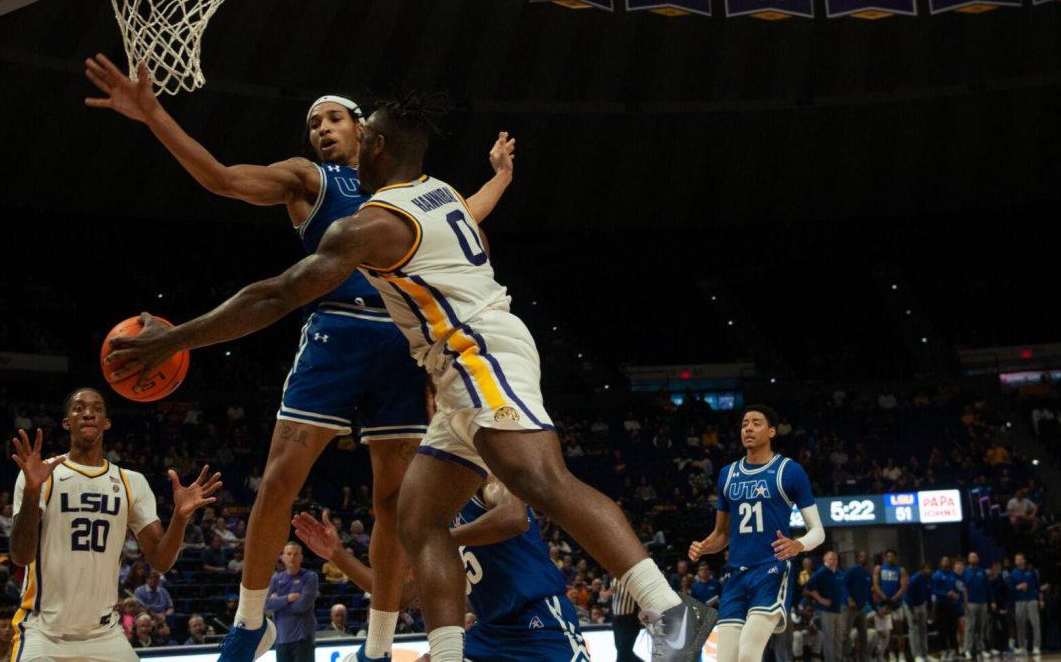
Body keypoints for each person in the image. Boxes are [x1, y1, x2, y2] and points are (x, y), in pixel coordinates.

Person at [104, 93, 714, 662]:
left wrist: (175, 338)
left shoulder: (375, 224)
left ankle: (671, 612)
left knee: (541, 479)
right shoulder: (436, 190)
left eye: (355, 130)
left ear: (375, 147)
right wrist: (500, 177)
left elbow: (279, 294)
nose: (335, 136)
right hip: (452, 370)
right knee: (418, 521)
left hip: (476, 351)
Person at [85, 55, 515, 662]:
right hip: (334, 331)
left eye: (334, 119)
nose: (321, 129)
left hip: (400, 342)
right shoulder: (309, 178)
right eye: (315, 124)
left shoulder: (407, 192)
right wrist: (154, 114)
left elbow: (463, 216)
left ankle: (380, 643)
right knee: (281, 478)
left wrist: (500, 177)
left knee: (392, 500)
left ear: (368, 132)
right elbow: (221, 178)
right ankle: (249, 622)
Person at [7, 388, 221, 662]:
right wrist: (33, 492)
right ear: (66, 422)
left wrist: (180, 518)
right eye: (79, 408)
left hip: (103, 633)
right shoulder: (40, 474)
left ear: (106, 422)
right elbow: (20, 556)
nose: (88, 413)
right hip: (44, 632)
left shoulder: (132, 482)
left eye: (97, 408)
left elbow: (161, 560)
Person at [294, 476, 589, 662]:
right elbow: (395, 596)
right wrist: (337, 554)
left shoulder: (485, 477)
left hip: (538, 618)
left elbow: (514, 518)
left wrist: (440, 541)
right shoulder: (427, 516)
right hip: (490, 632)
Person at [687, 406, 825, 662]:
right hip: (735, 574)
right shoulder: (727, 475)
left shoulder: (790, 470)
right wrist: (704, 547)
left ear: (771, 431)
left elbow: (818, 531)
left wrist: (798, 545)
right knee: (725, 659)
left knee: (748, 654)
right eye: (744, 424)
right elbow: (722, 534)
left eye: (756, 423)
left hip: (770, 570)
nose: (748, 428)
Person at [265, 543, 318, 662]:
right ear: (282, 557)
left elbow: (302, 605)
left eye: (296, 554)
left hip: (303, 638)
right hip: (281, 639)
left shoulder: (310, 577)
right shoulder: (275, 579)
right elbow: (266, 604)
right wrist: (287, 598)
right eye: (288, 554)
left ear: (301, 557)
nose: (292, 557)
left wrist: (277, 602)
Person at [803, 552, 843, 662]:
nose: (833, 560)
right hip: (826, 610)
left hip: (838, 609)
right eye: (830, 558)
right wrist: (821, 599)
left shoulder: (838, 572)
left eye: (835, 558)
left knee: (838, 639)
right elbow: (808, 587)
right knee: (829, 640)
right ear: (825, 560)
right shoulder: (822, 571)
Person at [871, 551, 908, 662]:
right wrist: (885, 598)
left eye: (892, 556)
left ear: (895, 558)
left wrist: (893, 599)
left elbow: (904, 586)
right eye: (888, 556)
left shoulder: (900, 570)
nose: (890, 558)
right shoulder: (879, 569)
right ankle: (891, 655)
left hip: (896, 604)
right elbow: (875, 585)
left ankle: (901, 655)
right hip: (883, 604)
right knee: (887, 632)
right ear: (885, 558)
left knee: (899, 630)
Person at [1008, 554, 1041, 657]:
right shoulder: (1013, 574)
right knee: (1020, 624)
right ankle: (1022, 646)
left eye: (1020, 559)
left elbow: (1037, 586)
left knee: (1035, 623)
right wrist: (1017, 587)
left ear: (1024, 560)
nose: (1018, 561)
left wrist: (1040, 599)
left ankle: (1036, 647)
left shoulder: (1031, 572)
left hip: (1031, 599)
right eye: (1016, 559)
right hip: (1019, 601)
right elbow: (1010, 589)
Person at [842, 552, 872, 662]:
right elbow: (844, 584)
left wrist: (874, 608)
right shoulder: (853, 570)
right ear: (859, 558)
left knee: (864, 634)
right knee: (846, 633)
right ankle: (844, 657)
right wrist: (849, 599)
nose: (864, 558)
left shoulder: (868, 574)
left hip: (862, 608)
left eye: (865, 556)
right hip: (849, 607)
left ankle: (863, 658)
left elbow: (869, 593)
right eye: (861, 556)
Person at [962, 553, 990, 660]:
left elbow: (987, 587)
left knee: (981, 627)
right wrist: (965, 604)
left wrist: (991, 601)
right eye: (971, 557)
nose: (973, 559)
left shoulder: (982, 571)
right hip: (971, 603)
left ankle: (981, 649)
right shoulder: (965, 572)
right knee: (970, 627)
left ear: (978, 559)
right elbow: (963, 589)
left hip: (982, 602)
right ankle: (967, 650)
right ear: (968, 559)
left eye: (975, 557)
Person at [932, 557, 960, 659]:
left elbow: (958, 588)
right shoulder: (936, 575)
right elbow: (934, 591)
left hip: (952, 606)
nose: (946, 563)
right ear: (940, 563)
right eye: (944, 561)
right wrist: (946, 594)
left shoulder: (953, 575)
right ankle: (944, 650)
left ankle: (953, 650)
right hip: (941, 606)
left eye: (948, 561)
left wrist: (957, 595)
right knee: (943, 630)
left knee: (953, 629)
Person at [609, 577, 643, 662]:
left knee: (623, 652)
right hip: (616, 620)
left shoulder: (635, 580)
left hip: (630, 620)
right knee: (624, 651)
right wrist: (608, 592)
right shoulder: (612, 578)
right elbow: (602, 594)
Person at [906, 562, 932, 662]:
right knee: (914, 630)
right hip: (911, 605)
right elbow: (909, 596)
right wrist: (912, 613)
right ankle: (916, 655)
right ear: (921, 570)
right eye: (926, 569)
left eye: (929, 569)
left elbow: (929, 595)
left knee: (923, 630)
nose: (928, 571)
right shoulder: (915, 579)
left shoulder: (929, 579)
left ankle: (925, 654)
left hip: (922, 604)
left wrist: (929, 610)